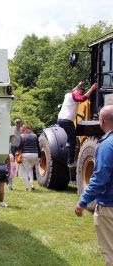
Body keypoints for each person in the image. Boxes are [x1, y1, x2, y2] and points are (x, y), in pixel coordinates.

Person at [75, 105, 113, 265]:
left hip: (109, 206)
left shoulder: (106, 145)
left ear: (101, 121)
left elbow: (99, 178)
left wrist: (83, 201)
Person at [58, 81, 98, 167]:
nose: (81, 94)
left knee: (70, 137)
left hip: (60, 120)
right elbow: (83, 98)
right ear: (79, 91)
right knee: (73, 141)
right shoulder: (74, 95)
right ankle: (70, 161)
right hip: (67, 121)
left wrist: (78, 85)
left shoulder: (68, 94)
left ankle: (68, 145)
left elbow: (74, 90)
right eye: (81, 93)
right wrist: (92, 88)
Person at [19, 124, 40, 191]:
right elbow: (38, 146)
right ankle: (32, 184)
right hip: (35, 154)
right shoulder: (35, 136)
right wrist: (40, 157)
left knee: (25, 171)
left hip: (26, 154)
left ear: (24, 129)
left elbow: (20, 146)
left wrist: (18, 150)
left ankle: (26, 187)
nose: (21, 130)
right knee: (31, 169)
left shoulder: (22, 136)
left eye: (22, 129)